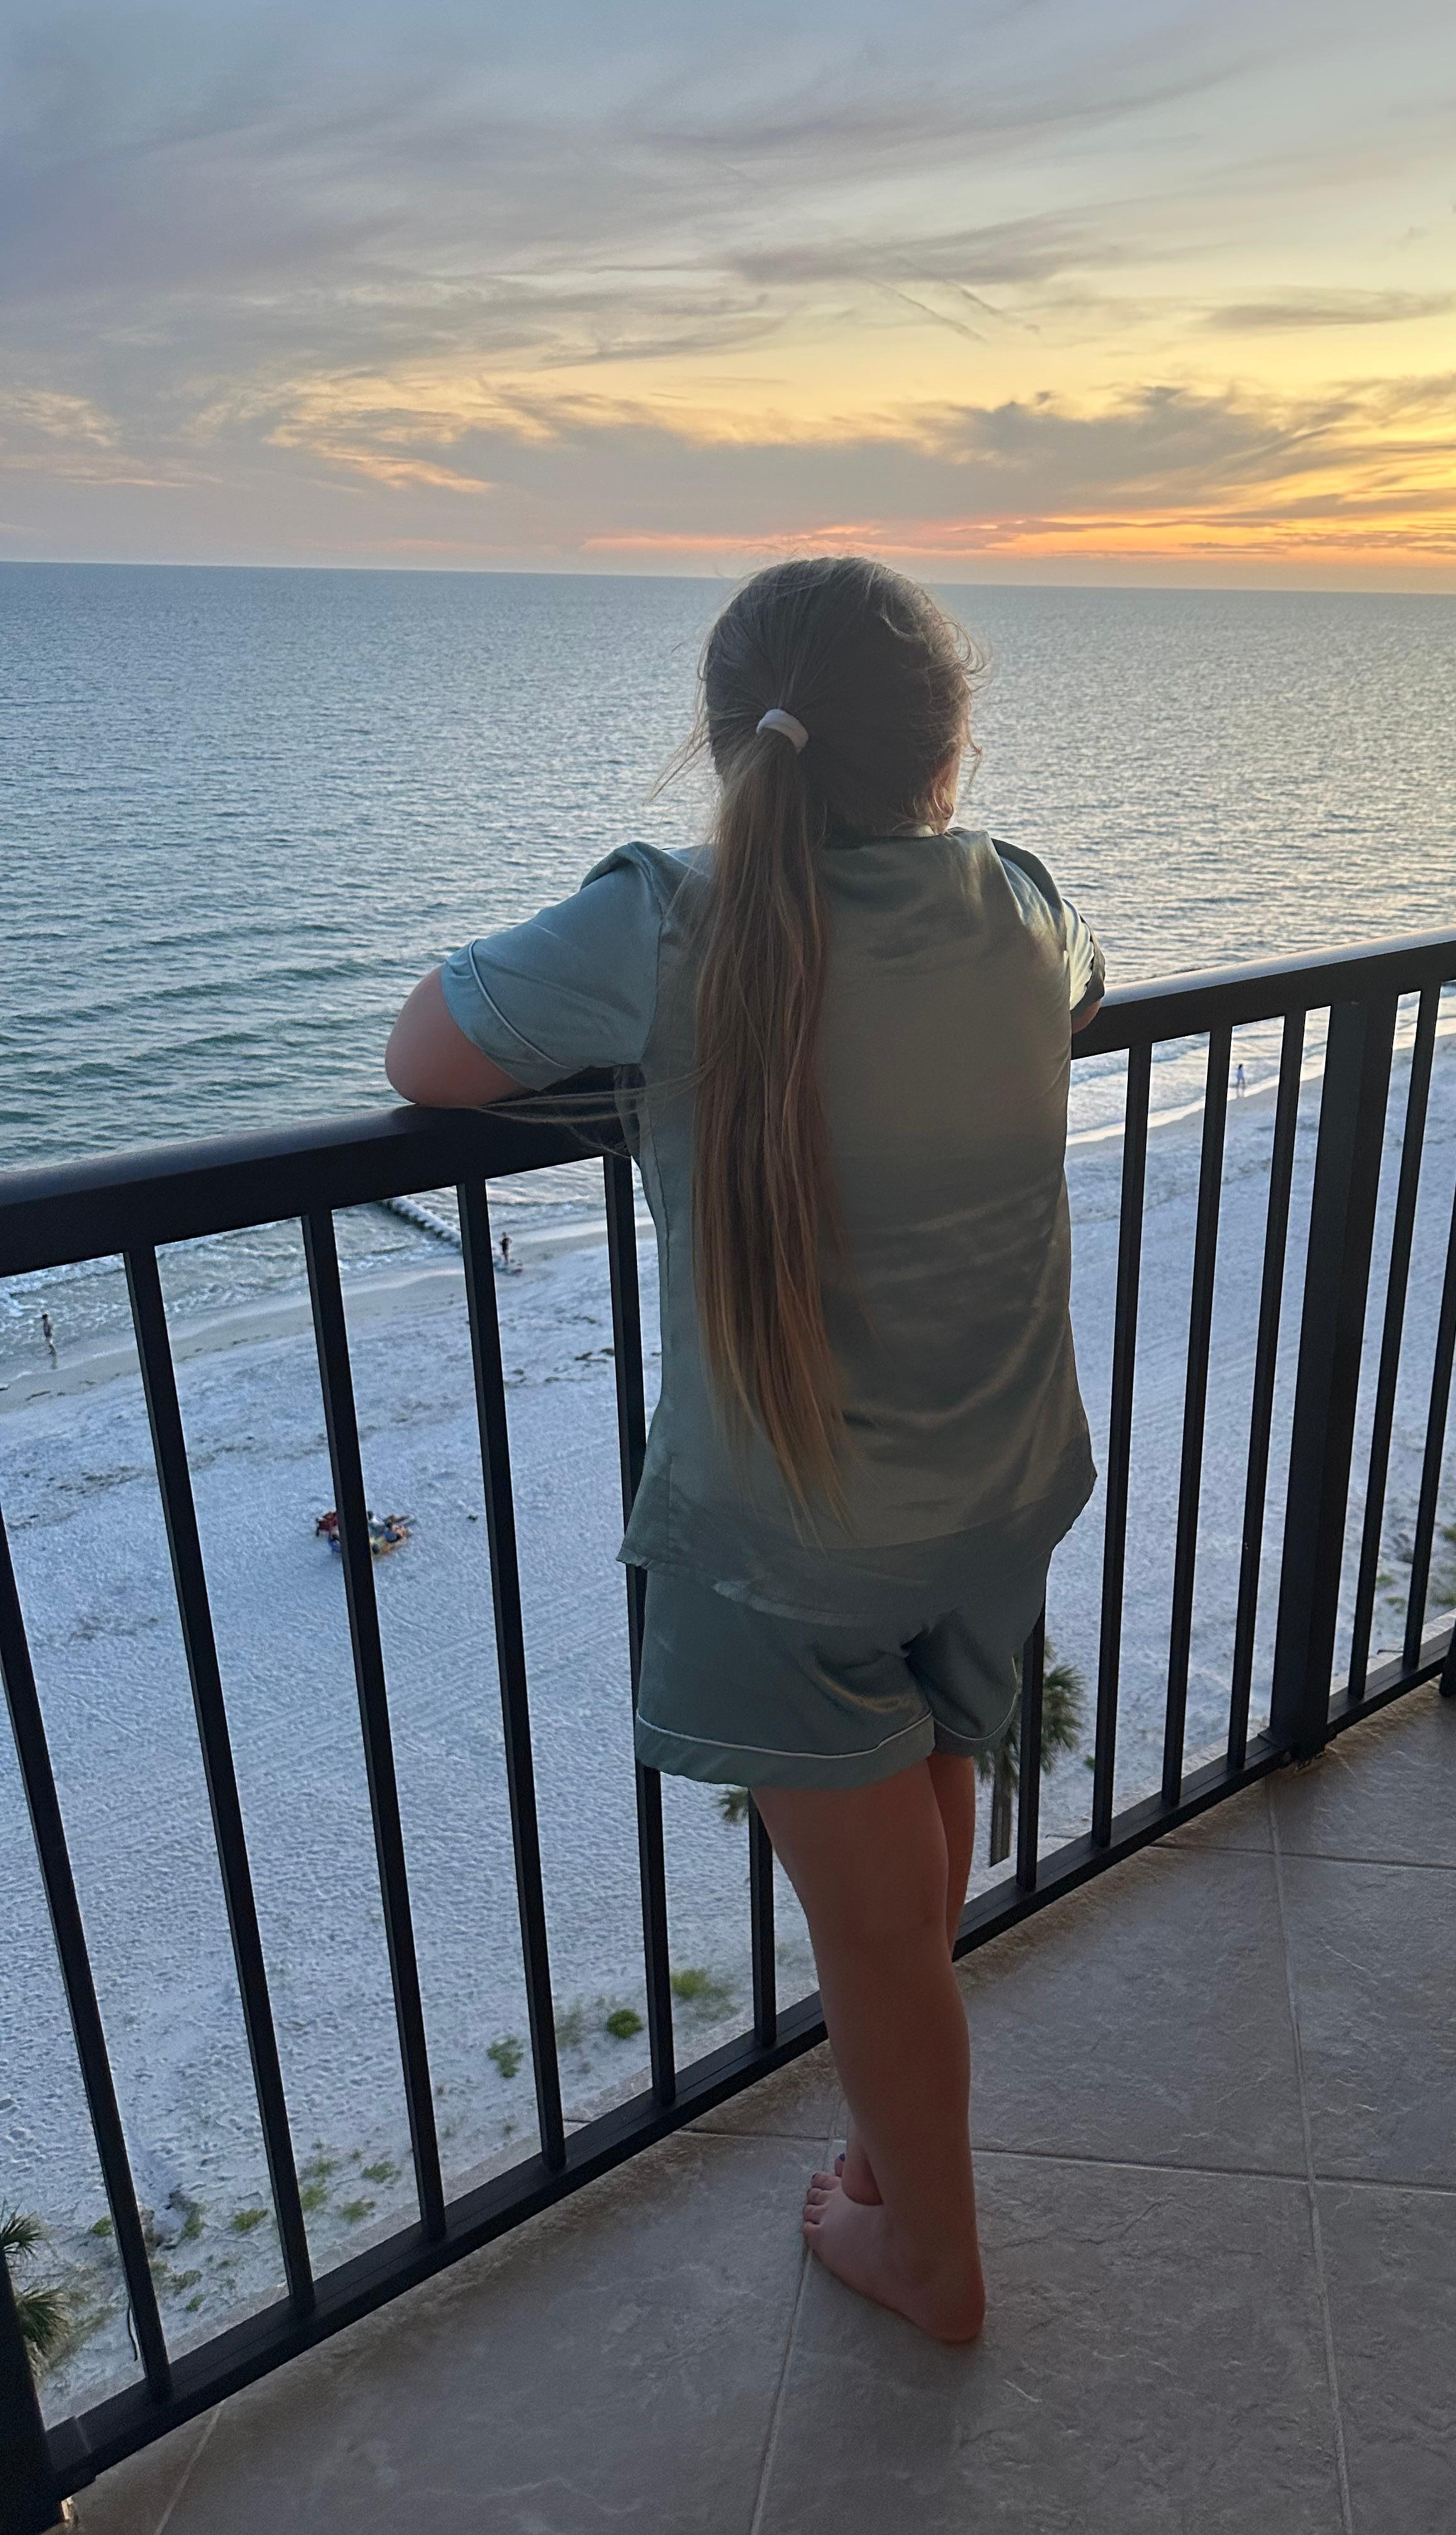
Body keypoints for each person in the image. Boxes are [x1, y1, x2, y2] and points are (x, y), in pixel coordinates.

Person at [384, 557, 1103, 2343]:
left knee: (870, 1933)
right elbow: (1084, 985)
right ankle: (891, 2153)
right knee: (926, 1810)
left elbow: (426, 1057)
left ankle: (932, 2262)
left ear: (728, 748)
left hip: (790, 1542)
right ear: (948, 754)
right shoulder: (1018, 901)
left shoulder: (664, 925)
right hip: (1000, 1488)